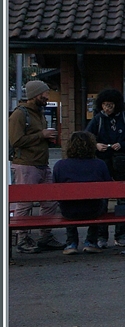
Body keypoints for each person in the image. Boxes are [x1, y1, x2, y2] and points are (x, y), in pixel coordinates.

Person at [8, 79, 62, 253]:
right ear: (35, 95)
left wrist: (46, 138)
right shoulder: (19, 114)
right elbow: (15, 141)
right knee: (24, 203)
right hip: (26, 165)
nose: (47, 97)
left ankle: (45, 235)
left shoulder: (39, 112)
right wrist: (41, 135)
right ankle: (22, 238)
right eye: (45, 94)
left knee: (50, 201)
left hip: (41, 163)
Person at [84, 88, 125, 248]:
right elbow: (86, 138)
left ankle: (120, 235)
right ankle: (102, 236)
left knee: (123, 200)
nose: (107, 108)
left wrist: (121, 145)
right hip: (102, 163)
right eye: (104, 105)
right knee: (102, 200)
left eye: (110, 105)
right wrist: (96, 145)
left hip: (122, 162)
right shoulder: (97, 119)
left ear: (117, 105)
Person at [52, 131, 112, 254]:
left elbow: (55, 189)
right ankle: (91, 241)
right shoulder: (99, 164)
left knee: (66, 200)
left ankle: (71, 243)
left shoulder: (60, 165)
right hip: (93, 210)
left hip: (69, 211)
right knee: (101, 200)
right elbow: (109, 188)